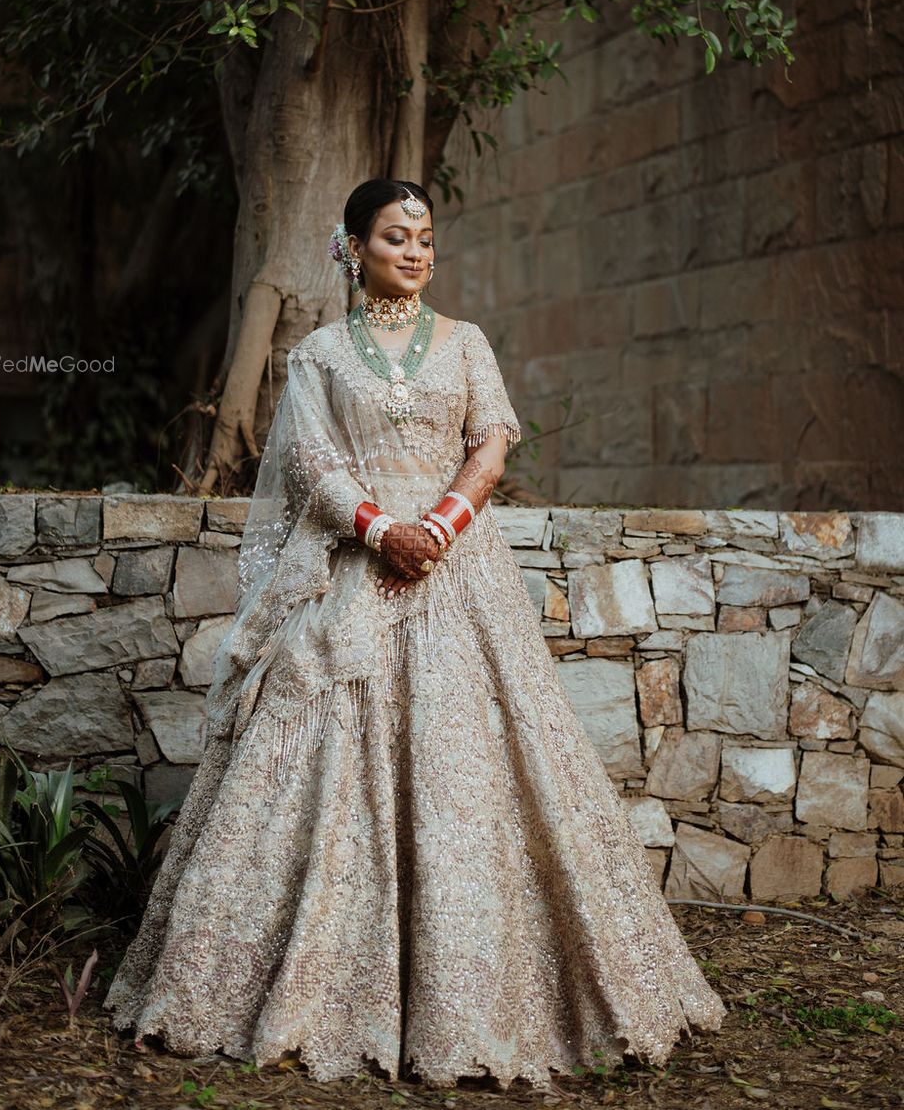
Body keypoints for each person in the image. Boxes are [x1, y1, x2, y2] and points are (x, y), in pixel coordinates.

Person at [102, 177, 726, 1089]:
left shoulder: (466, 343)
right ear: (353, 247)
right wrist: (374, 528)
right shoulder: (317, 355)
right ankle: (306, 990)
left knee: (473, 770)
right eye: (397, 236)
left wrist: (433, 527)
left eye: (427, 236)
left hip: (456, 575)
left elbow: (491, 443)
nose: (418, 251)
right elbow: (311, 461)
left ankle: (479, 996)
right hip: (353, 575)